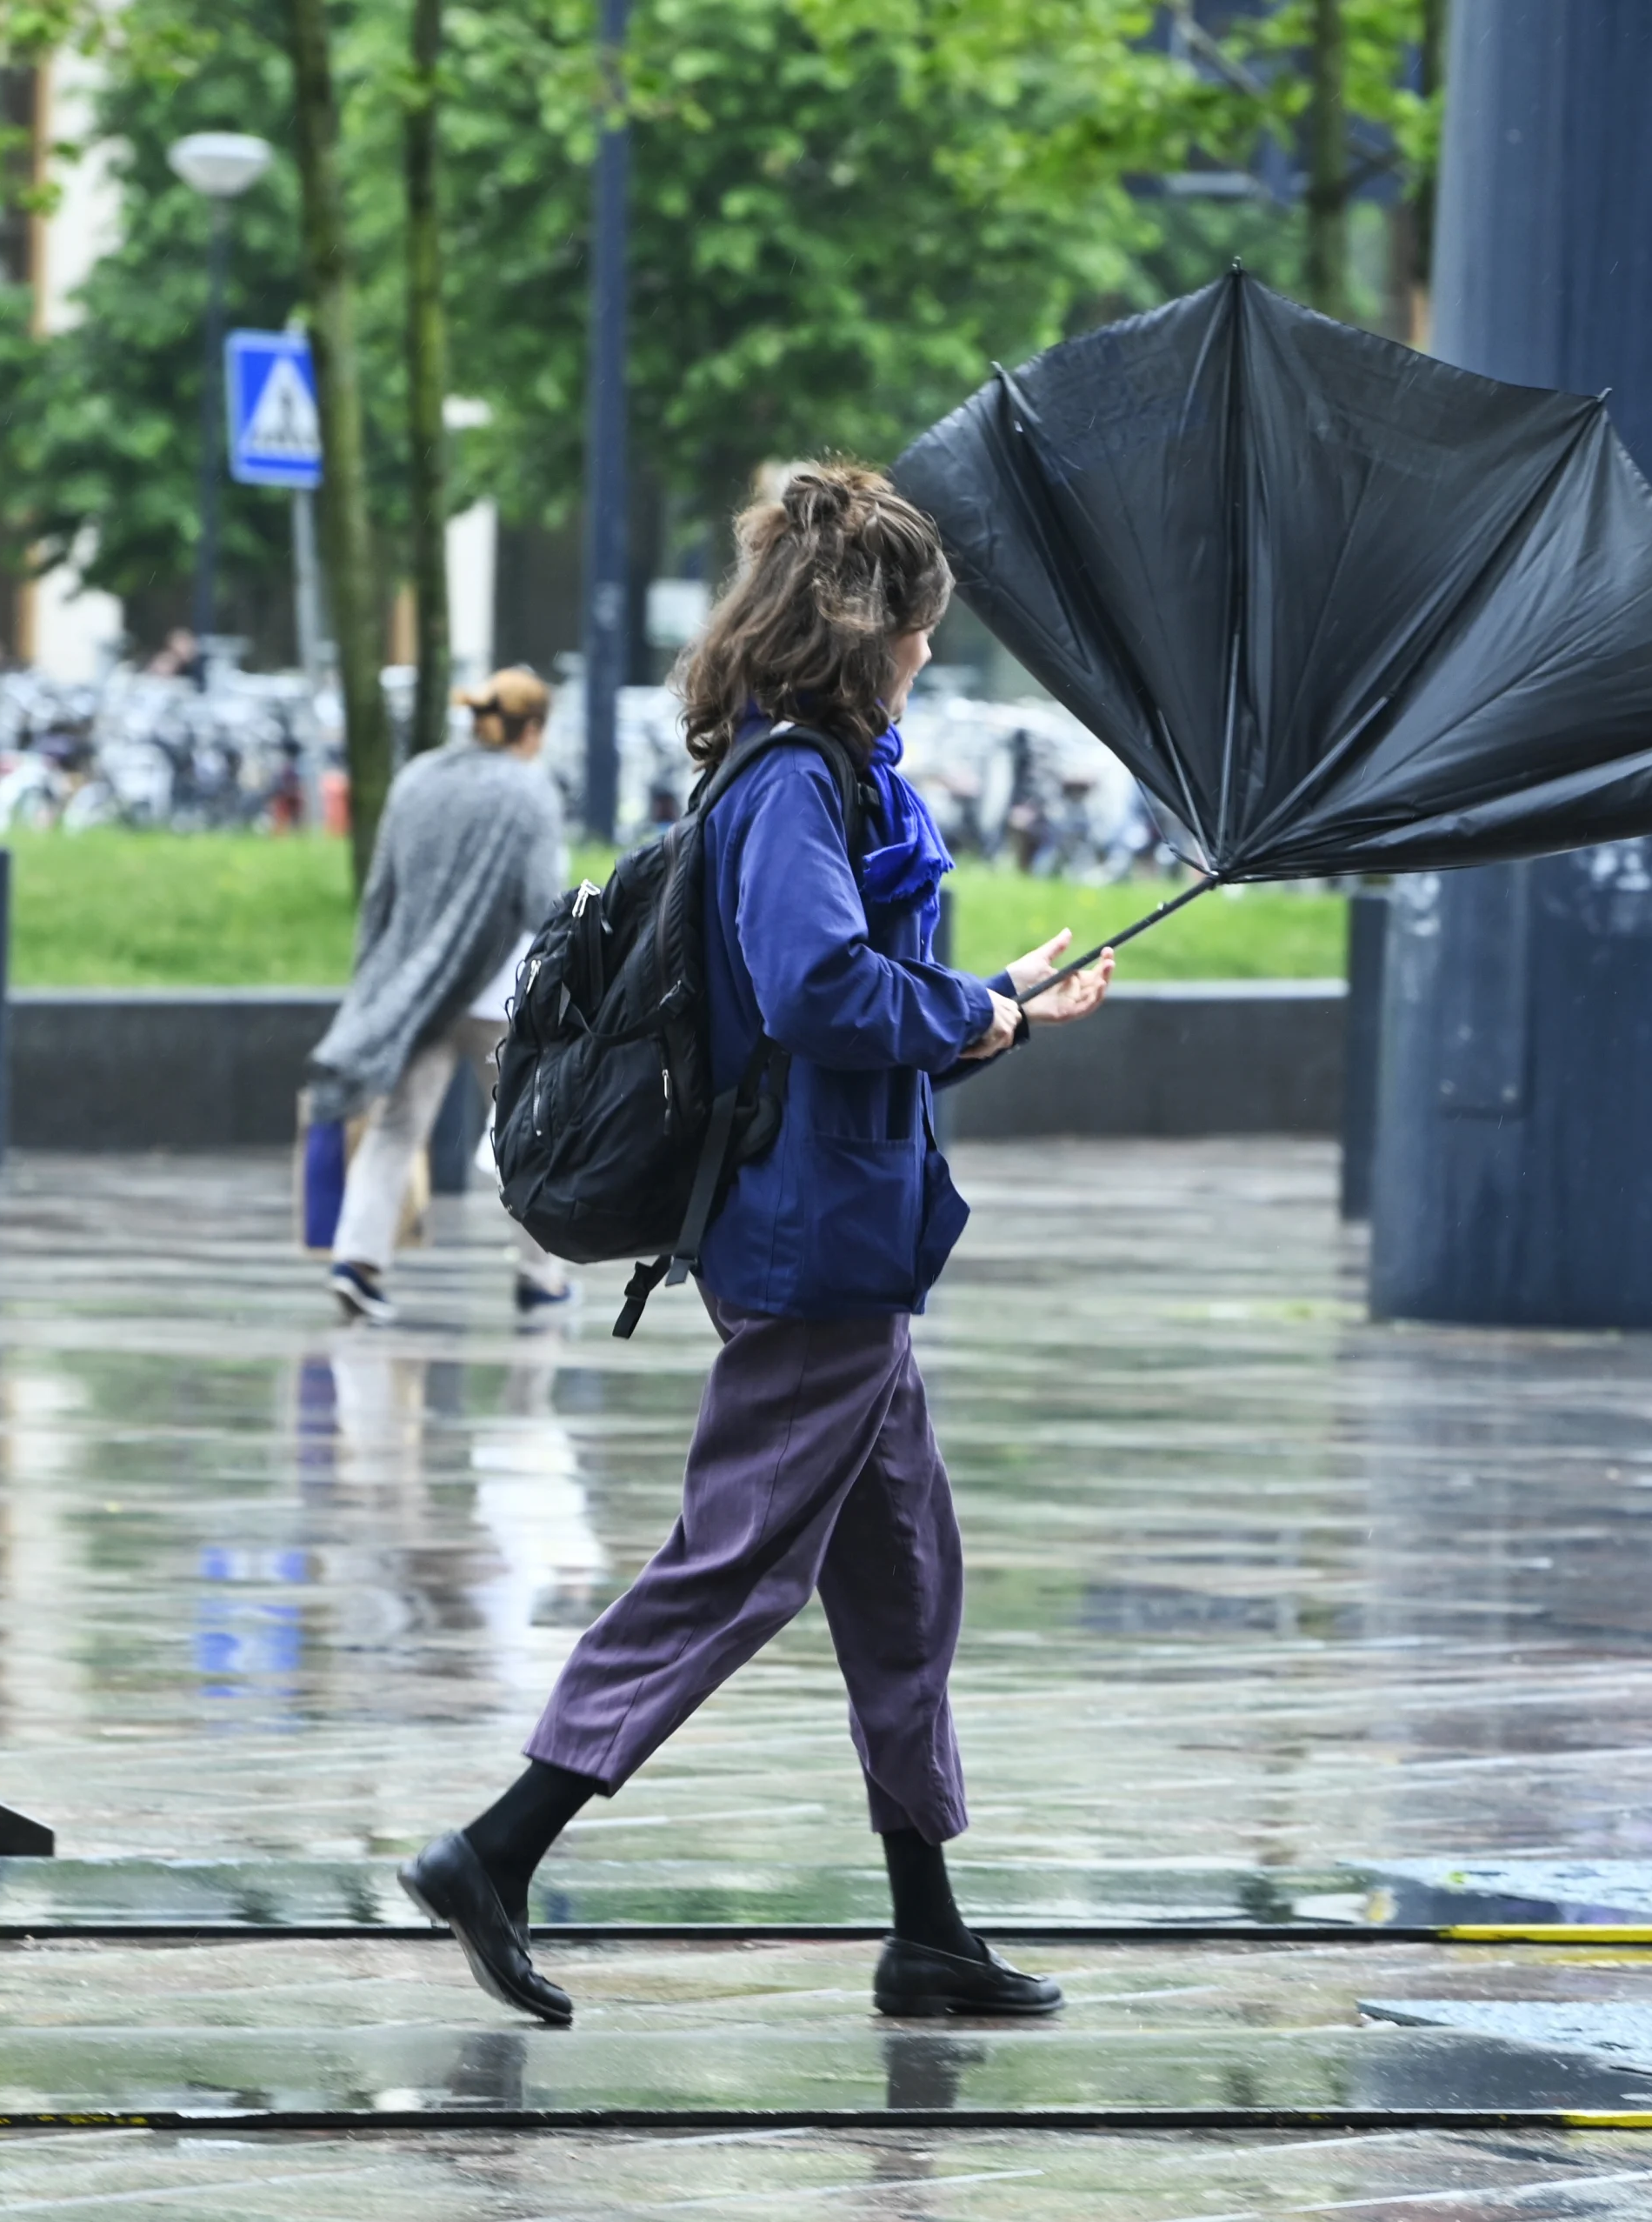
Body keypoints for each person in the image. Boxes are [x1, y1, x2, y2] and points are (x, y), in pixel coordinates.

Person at [397, 462, 1116, 2025]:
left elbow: (845, 1010)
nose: (932, 655)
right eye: (923, 632)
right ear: (870, 635)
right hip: (811, 1246)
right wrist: (971, 1007)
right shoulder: (794, 780)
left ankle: (926, 1928)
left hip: (847, 1228)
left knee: (908, 1578)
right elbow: (813, 991)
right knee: (733, 1566)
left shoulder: (809, 773)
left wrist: (997, 1011)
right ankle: (498, 1849)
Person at [306, 668, 574, 1324]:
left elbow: (383, 891)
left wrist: (378, 979)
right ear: (532, 728)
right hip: (498, 999)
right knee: (526, 1136)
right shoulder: (529, 790)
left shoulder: (419, 777)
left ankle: (357, 1263)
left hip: (420, 991)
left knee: (397, 1126)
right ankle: (541, 1279)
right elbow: (541, 899)